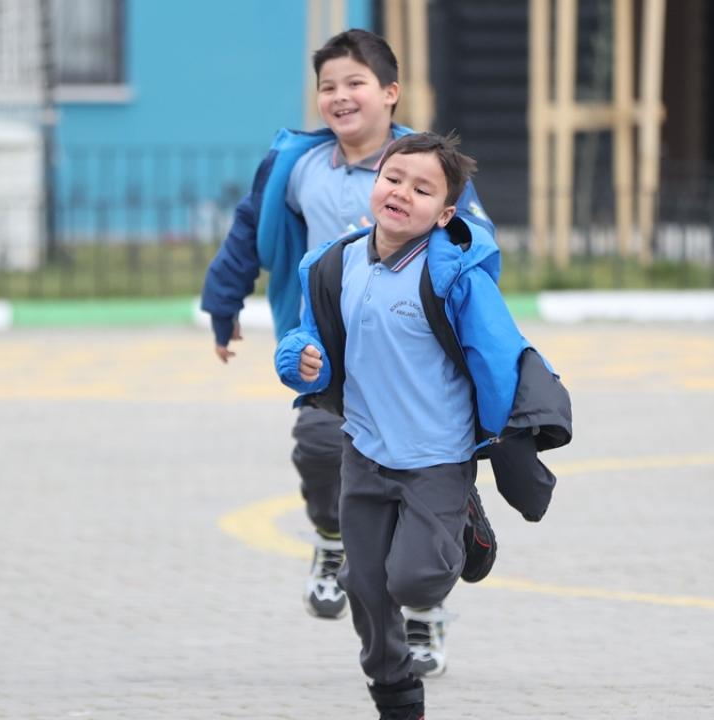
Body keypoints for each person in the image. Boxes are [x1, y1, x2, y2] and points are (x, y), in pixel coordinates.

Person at [199, 29, 494, 676]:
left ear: (390, 92)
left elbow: (477, 243)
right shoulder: (297, 166)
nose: (340, 96)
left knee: (415, 487)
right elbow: (248, 229)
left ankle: (425, 612)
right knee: (317, 447)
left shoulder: (425, 166)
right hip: (330, 347)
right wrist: (223, 304)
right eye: (328, 86)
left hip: (412, 357)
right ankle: (332, 538)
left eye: (355, 82)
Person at [274, 132, 571, 720]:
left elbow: (499, 357)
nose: (402, 193)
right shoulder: (331, 265)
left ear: (445, 214)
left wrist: (504, 440)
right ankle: (395, 691)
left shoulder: (454, 278)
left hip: (437, 458)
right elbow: (314, 339)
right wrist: (299, 360)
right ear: (376, 181)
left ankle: (465, 524)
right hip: (363, 450)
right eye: (393, 178)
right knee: (364, 583)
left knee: (414, 583)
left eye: (423, 189)